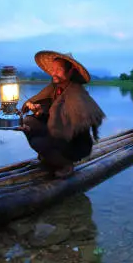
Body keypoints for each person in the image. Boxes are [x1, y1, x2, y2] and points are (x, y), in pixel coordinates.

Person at [18, 50, 106, 178]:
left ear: (70, 72)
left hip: (74, 142)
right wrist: (39, 110)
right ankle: (49, 156)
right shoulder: (54, 88)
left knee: (38, 142)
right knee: (28, 122)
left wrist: (45, 119)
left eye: (58, 70)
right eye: (53, 69)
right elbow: (49, 112)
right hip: (56, 131)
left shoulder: (77, 95)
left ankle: (66, 164)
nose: (54, 73)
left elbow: (67, 125)